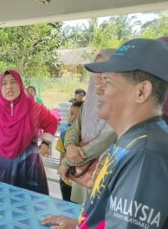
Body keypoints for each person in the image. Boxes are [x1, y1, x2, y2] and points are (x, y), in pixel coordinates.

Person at [43, 38, 168, 228]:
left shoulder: (144, 155)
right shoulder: (133, 139)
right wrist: (80, 225)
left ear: (142, 91)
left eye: (107, 81)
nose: (98, 89)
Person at [0, 70, 58, 195]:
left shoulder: (34, 108)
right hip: (3, 168)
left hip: (29, 167)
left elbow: (52, 121)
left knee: (32, 204)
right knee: (3, 203)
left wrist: (45, 143)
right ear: (0, 87)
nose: (9, 86)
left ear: (20, 85)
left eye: (13, 82)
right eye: (4, 83)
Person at [59, 49, 117, 205]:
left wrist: (67, 162)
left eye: (104, 69)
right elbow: (73, 129)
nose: (98, 75)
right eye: (95, 69)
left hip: (103, 171)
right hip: (81, 170)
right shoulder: (88, 103)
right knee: (81, 213)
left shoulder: (119, 103)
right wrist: (71, 145)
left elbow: (106, 140)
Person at [55, 100, 83, 202]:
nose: (73, 118)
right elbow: (62, 156)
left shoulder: (90, 137)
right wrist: (62, 175)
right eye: (71, 114)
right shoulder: (64, 134)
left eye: (78, 115)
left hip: (82, 184)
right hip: (66, 182)